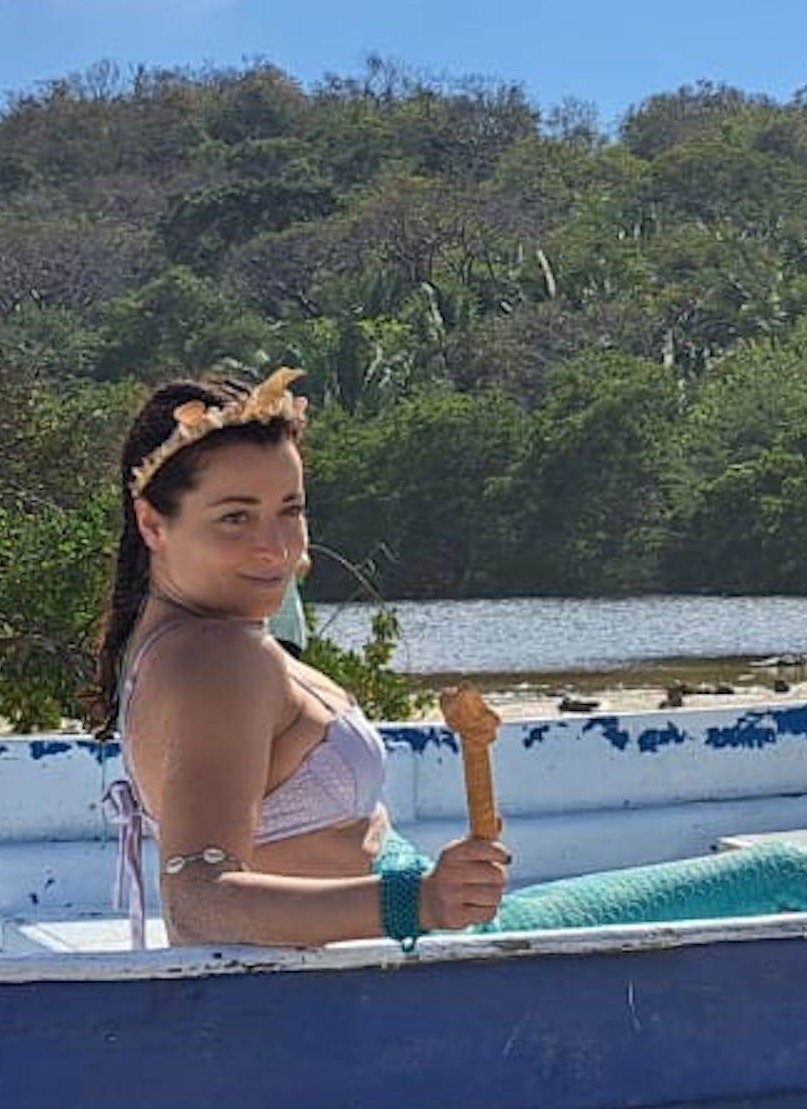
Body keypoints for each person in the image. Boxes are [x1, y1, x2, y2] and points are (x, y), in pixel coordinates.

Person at [90, 368, 508, 948]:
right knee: (684, 885)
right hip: (383, 970)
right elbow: (198, 906)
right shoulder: (221, 659)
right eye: (235, 517)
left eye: (290, 509)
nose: (277, 547)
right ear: (152, 523)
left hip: (386, 954)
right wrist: (422, 902)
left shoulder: (177, 640)